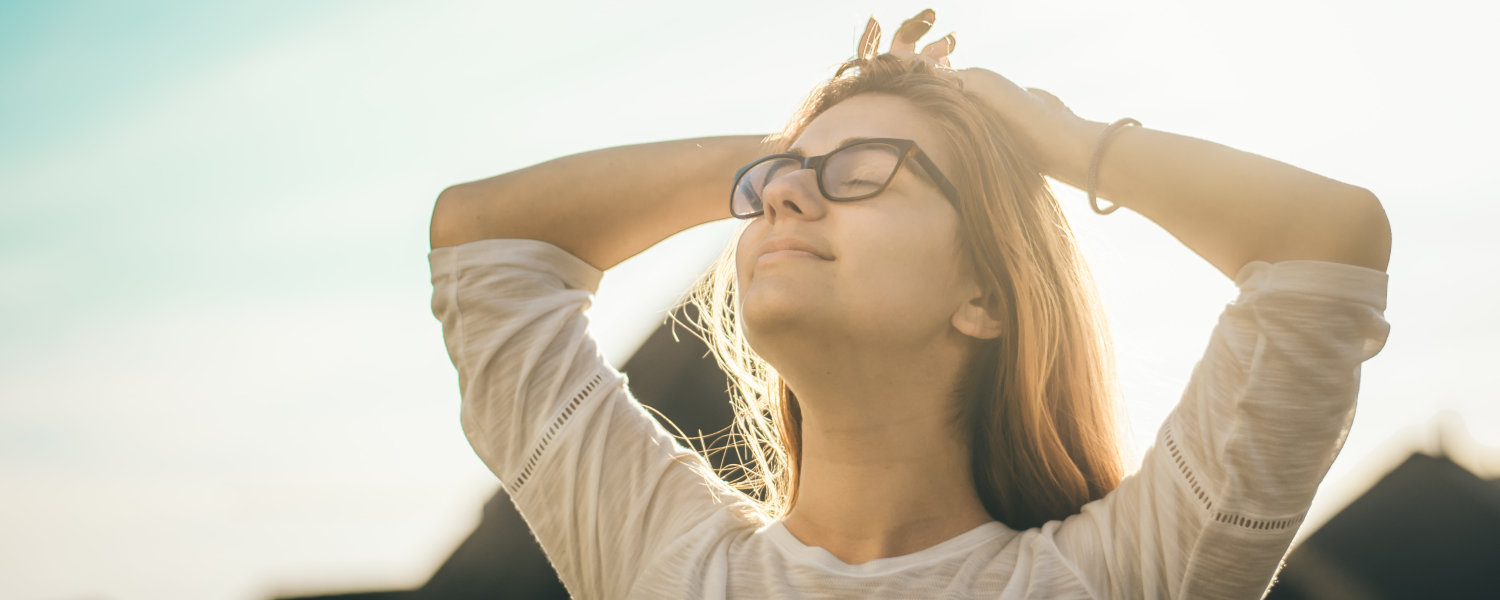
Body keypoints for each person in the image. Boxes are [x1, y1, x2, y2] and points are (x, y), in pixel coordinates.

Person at [426, 9, 1391, 599]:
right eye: (774, 186)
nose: (786, 196)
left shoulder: (1122, 577)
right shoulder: (669, 563)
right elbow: (484, 240)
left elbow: (1324, 245)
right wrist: (791, 145)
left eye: (865, 175)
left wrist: (1056, 138)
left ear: (985, 294)